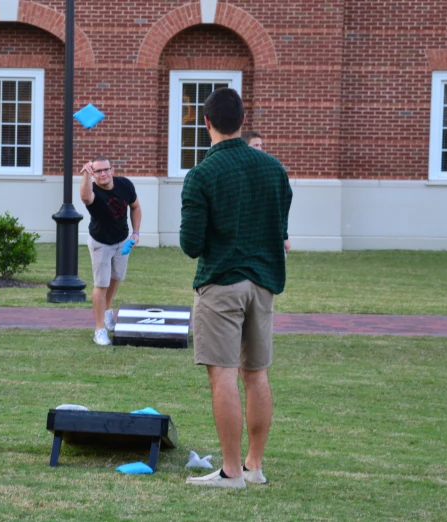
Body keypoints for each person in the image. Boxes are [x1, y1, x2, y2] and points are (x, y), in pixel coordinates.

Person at [180, 88, 292, 488]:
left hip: (221, 282)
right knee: (257, 374)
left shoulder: (201, 174)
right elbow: (280, 231)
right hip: (263, 285)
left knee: (223, 374)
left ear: (206, 123)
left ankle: (231, 471)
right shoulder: (274, 169)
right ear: (243, 122)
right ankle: (254, 466)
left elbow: (191, 244)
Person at [80, 156, 142, 346]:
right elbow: (84, 197)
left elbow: (136, 207)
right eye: (98, 171)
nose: (103, 174)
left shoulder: (125, 185)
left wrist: (136, 232)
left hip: (122, 240)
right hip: (101, 242)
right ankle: (99, 330)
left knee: (116, 277)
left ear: (112, 170)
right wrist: (85, 175)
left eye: (106, 169)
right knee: (101, 284)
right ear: (94, 174)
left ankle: (107, 311)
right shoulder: (93, 191)